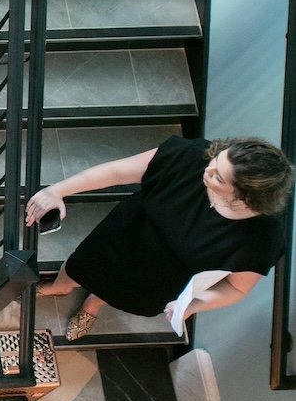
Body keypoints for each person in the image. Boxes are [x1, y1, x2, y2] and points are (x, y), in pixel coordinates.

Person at [26, 136, 293, 340]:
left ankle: (94, 303)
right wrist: (58, 190)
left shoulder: (261, 238)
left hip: (157, 280)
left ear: (244, 197)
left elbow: (236, 288)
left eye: (219, 177)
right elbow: (119, 171)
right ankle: (62, 286)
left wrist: (193, 305)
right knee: (80, 266)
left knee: (116, 294)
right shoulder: (191, 156)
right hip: (121, 238)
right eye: (217, 158)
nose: (208, 168)